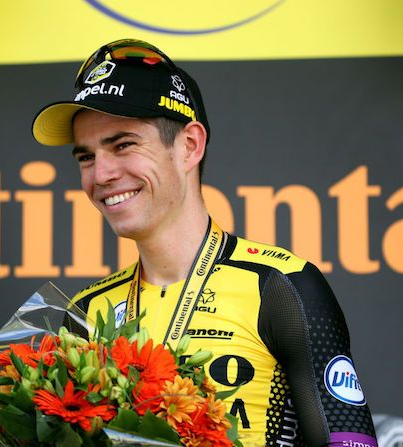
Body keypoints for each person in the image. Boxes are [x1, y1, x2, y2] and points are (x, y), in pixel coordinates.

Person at [32, 39, 378, 447]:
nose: (101, 174)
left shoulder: (282, 285)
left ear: (190, 145)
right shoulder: (88, 312)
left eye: (123, 144)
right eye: (85, 157)